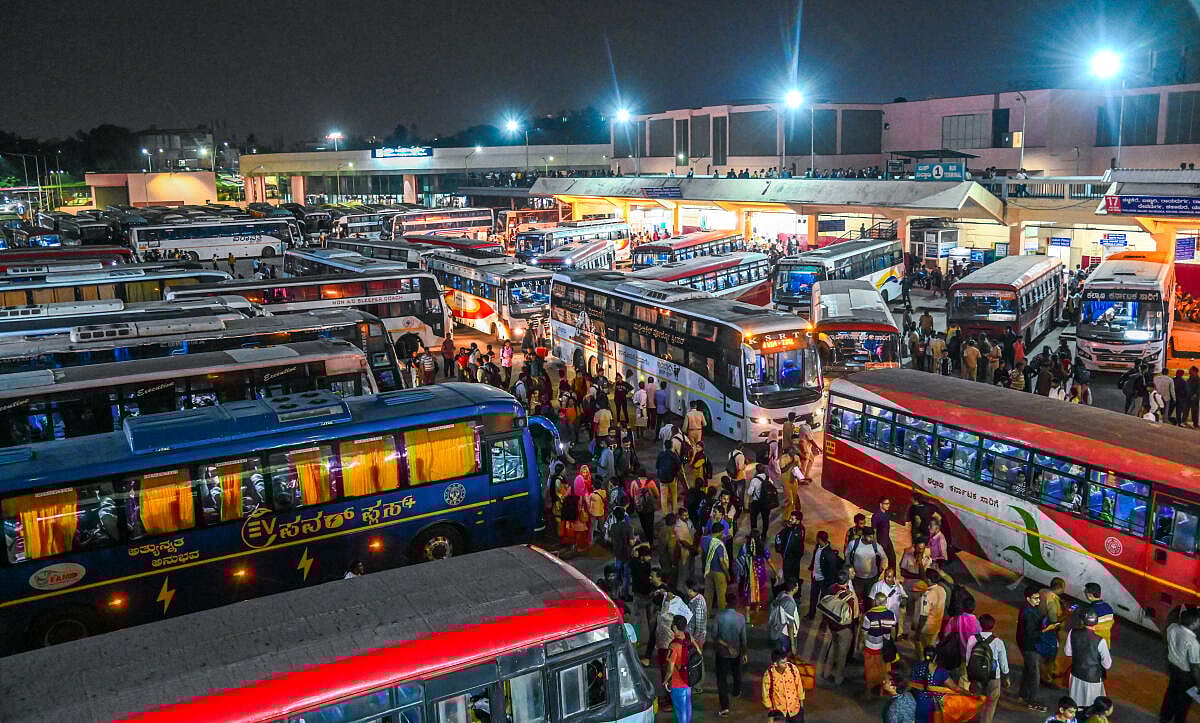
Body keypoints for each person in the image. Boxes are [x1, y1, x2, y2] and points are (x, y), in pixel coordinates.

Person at [965, 613, 1010, 723]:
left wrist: (970, 673)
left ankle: (972, 720)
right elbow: (1003, 663)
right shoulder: (998, 642)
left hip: (976, 675)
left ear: (980, 625)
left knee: (975, 700)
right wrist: (1006, 676)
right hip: (993, 676)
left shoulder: (972, 639)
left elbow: (968, 659)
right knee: (991, 702)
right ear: (993, 626)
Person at [817, 568, 858, 686]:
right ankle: (838, 678)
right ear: (847, 581)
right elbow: (854, 616)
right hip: (844, 628)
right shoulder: (850, 597)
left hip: (831, 625)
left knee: (832, 648)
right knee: (842, 654)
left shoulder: (831, 588)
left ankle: (826, 672)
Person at [1064, 610, 1110, 708]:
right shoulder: (1100, 641)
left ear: (1082, 621)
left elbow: (1068, 652)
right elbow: (1107, 664)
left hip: (1076, 674)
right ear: (1096, 623)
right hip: (1093, 678)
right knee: (1091, 706)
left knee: (1075, 704)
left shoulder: (1073, 632)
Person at [712, 591, 748, 717]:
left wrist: (726, 645)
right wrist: (744, 652)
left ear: (726, 602)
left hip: (722, 653)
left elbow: (714, 636)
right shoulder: (741, 618)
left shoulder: (719, 617)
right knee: (736, 672)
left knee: (721, 679)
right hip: (737, 652)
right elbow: (743, 638)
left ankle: (725, 707)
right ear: (736, 604)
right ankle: (736, 691)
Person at [1162, 607, 1200, 722]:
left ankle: (1164, 717)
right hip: (1186, 675)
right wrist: (1199, 683)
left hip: (1172, 667)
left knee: (1170, 692)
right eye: (1198, 621)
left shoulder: (1172, 628)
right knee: (1183, 701)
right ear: (1193, 624)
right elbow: (1194, 667)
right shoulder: (1193, 643)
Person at [1018, 584, 1050, 713]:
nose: (1038, 601)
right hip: (1030, 646)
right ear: (1028, 598)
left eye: (1038, 598)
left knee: (1028, 670)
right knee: (1034, 674)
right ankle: (1033, 700)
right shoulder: (1028, 612)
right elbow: (1031, 633)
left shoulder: (1029, 609)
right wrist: (1046, 629)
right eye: (1035, 598)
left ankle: (1023, 694)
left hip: (1027, 645)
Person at [863, 591, 898, 695]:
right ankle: (883, 690)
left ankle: (869, 690)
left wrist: (861, 643)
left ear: (875, 602)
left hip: (871, 645)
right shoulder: (891, 615)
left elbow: (864, 632)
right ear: (885, 602)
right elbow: (893, 630)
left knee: (870, 668)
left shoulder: (868, 615)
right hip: (886, 646)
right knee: (885, 668)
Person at [665, 615, 698, 723]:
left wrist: (665, 681)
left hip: (678, 683)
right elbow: (699, 652)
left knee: (680, 711)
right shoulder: (689, 637)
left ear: (674, 627)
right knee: (687, 707)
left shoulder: (674, 646)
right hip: (688, 679)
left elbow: (670, 669)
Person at [761, 649, 806, 722]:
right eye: (783, 663)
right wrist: (771, 713)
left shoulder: (792, 669)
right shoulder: (769, 675)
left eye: (786, 661)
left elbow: (799, 686)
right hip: (779, 712)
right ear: (775, 664)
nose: (786, 664)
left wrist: (801, 706)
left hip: (795, 708)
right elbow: (765, 695)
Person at [913, 568, 946, 662]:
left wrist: (918, 631)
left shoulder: (927, 595)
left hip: (926, 628)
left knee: (922, 650)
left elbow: (923, 616)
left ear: (929, 580)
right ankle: (931, 665)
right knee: (932, 648)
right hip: (937, 625)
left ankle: (923, 666)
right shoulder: (942, 590)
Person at [848, 526, 885, 608]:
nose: (872, 538)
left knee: (869, 601)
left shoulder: (876, 546)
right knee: (855, 600)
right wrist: (849, 568)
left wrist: (881, 567)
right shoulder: (854, 544)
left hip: (871, 579)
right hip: (857, 578)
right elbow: (847, 554)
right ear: (863, 536)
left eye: (872, 536)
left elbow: (883, 556)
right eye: (870, 536)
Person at [736, 531, 773, 610]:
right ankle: (757, 608)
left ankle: (748, 615)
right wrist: (776, 572)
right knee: (759, 590)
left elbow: (739, 559)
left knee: (749, 590)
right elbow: (769, 561)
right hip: (760, 574)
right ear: (759, 537)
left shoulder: (745, 547)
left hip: (749, 573)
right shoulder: (763, 547)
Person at [869, 567, 908, 641]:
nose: (886, 578)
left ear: (894, 577)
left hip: (894, 616)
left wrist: (904, 600)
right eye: (885, 576)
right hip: (882, 617)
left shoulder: (898, 586)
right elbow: (872, 599)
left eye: (889, 577)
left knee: (892, 638)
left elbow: (904, 595)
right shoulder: (877, 586)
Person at [807, 530, 837, 620]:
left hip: (823, 581)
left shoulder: (829, 554)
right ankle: (811, 614)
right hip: (815, 578)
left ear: (819, 539)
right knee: (813, 597)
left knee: (824, 601)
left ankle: (824, 619)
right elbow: (815, 559)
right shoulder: (818, 547)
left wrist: (827, 583)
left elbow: (831, 571)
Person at [701, 522, 731, 612]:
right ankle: (721, 616)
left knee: (708, 595)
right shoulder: (718, 544)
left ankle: (706, 615)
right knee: (721, 596)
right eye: (722, 533)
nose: (723, 535)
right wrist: (727, 574)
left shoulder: (704, 540)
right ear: (719, 532)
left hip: (708, 571)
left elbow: (703, 555)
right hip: (719, 572)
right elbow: (721, 562)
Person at [768, 579, 801, 654]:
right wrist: (793, 645)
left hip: (781, 630)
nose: (798, 587)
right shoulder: (789, 604)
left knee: (782, 653)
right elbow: (790, 626)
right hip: (786, 634)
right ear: (794, 588)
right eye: (797, 585)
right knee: (784, 655)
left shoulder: (782, 593)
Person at [872, 497, 897, 570]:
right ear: (880, 505)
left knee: (892, 558)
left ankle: (892, 576)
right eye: (886, 504)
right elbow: (874, 530)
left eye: (889, 503)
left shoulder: (886, 514)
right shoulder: (876, 516)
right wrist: (876, 543)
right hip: (880, 541)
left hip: (887, 539)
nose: (888, 505)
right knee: (879, 561)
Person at [685, 578, 708, 649]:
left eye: (685, 588)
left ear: (690, 590)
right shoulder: (692, 598)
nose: (684, 590)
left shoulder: (699, 604)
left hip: (695, 640)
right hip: (690, 636)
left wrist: (694, 641)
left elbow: (699, 627)